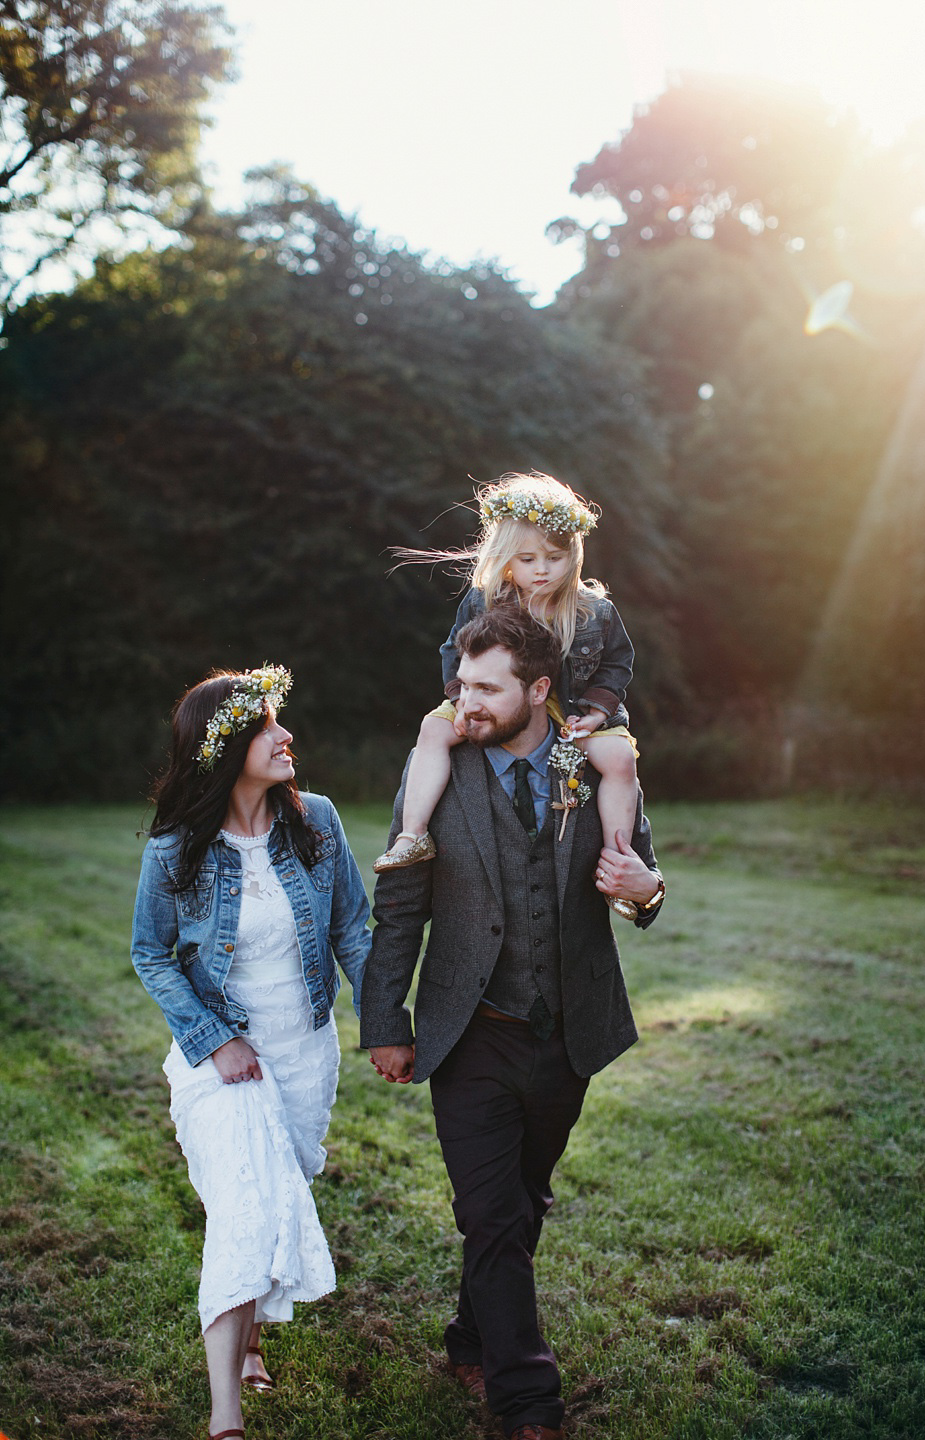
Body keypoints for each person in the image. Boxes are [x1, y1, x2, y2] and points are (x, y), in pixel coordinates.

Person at [360, 607, 665, 1440]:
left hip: (568, 1033)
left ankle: (470, 1330)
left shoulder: (593, 767)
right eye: (461, 683)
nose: (466, 701)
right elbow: (400, 903)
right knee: (490, 1214)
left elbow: (641, 882)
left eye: (487, 688)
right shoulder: (439, 772)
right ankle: (528, 1400)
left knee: (520, 1203)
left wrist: (647, 893)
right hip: (470, 1030)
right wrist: (386, 1017)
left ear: (539, 689)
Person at [131, 664, 370, 1440]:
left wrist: (388, 1024)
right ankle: (224, 1415)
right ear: (225, 745)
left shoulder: (318, 823)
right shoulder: (176, 850)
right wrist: (214, 1039)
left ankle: (254, 1340)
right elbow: (151, 954)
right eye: (268, 726)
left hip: (303, 1050)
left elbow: (351, 935)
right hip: (222, 1058)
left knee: (279, 1192)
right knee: (241, 1209)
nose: (286, 734)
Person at [373, 471, 643, 919]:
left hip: (577, 711)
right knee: (432, 731)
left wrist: (597, 712)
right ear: (506, 559)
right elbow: (452, 649)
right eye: (528, 558)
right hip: (500, 704)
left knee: (619, 760)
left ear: (573, 557)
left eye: (555, 558)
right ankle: (413, 835)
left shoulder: (595, 610)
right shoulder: (485, 602)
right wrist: (463, 701)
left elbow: (617, 663)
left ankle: (620, 865)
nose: (542, 569)